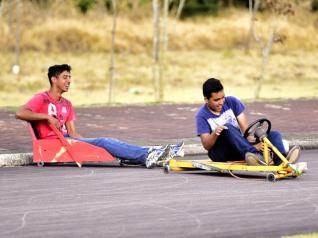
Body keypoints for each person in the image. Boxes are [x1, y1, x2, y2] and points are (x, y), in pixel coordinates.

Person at [15, 64, 184, 168]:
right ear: (53, 79)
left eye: (70, 78)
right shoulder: (41, 98)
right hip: (54, 142)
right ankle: (148, 155)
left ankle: (152, 152)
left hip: (68, 140)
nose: (69, 81)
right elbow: (20, 113)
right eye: (65, 77)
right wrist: (46, 117)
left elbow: (73, 134)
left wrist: (88, 145)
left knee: (106, 142)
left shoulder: (67, 104)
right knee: (104, 141)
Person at [195, 78, 301, 165]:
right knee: (227, 128)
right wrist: (214, 134)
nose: (221, 102)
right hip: (221, 152)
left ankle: (281, 160)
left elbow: (246, 130)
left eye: (222, 98)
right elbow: (206, 146)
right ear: (206, 99)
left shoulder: (231, 102)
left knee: (274, 134)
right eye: (216, 100)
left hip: (241, 147)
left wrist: (257, 140)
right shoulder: (202, 115)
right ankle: (256, 156)